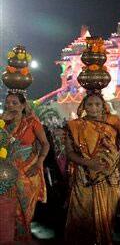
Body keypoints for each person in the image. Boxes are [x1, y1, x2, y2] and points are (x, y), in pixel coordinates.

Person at [64, 92, 120, 244]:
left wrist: (118, 160)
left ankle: (105, 239)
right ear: (83, 106)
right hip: (84, 176)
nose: (93, 108)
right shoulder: (74, 126)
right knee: (83, 211)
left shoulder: (114, 122)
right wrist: (89, 163)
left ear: (103, 106)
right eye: (89, 104)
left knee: (107, 216)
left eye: (97, 104)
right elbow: (70, 153)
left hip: (110, 177)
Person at [0, 92, 49, 241]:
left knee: (24, 209)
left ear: (23, 105)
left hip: (28, 171)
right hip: (5, 173)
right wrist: (2, 122)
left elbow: (45, 144)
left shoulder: (32, 122)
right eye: (8, 103)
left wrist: (40, 162)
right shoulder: (2, 123)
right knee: (6, 206)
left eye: (15, 103)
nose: (10, 106)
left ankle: (22, 236)